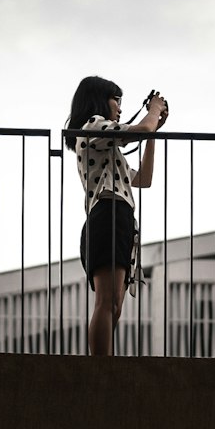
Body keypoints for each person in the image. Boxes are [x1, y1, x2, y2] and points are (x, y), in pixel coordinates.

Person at [65, 76, 169, 355]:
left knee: (115, 304)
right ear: (99, 100)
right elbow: (140, 128)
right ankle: (101, 370)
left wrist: (152, 133)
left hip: (118, 217)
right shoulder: (92, 125)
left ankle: (104, 366)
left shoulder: (107, 148)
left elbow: (144, 178)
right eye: (117, 100)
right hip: (108, 214)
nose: (120, 108)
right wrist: (154, 110)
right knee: (108, 301)